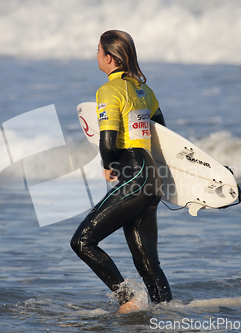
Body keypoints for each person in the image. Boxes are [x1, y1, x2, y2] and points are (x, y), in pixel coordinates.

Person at [70, 30, 172, 313]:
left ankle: (127, 298)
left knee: (82, 241)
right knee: (149, 265)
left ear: (110, 58)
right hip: (152, 179)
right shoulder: (144, 90)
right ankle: (168, 314)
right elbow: (162, 130)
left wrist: (107, 165)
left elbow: (108, 142)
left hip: (135, 177)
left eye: (99, 51)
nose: (97, 56)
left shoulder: (108, 90)